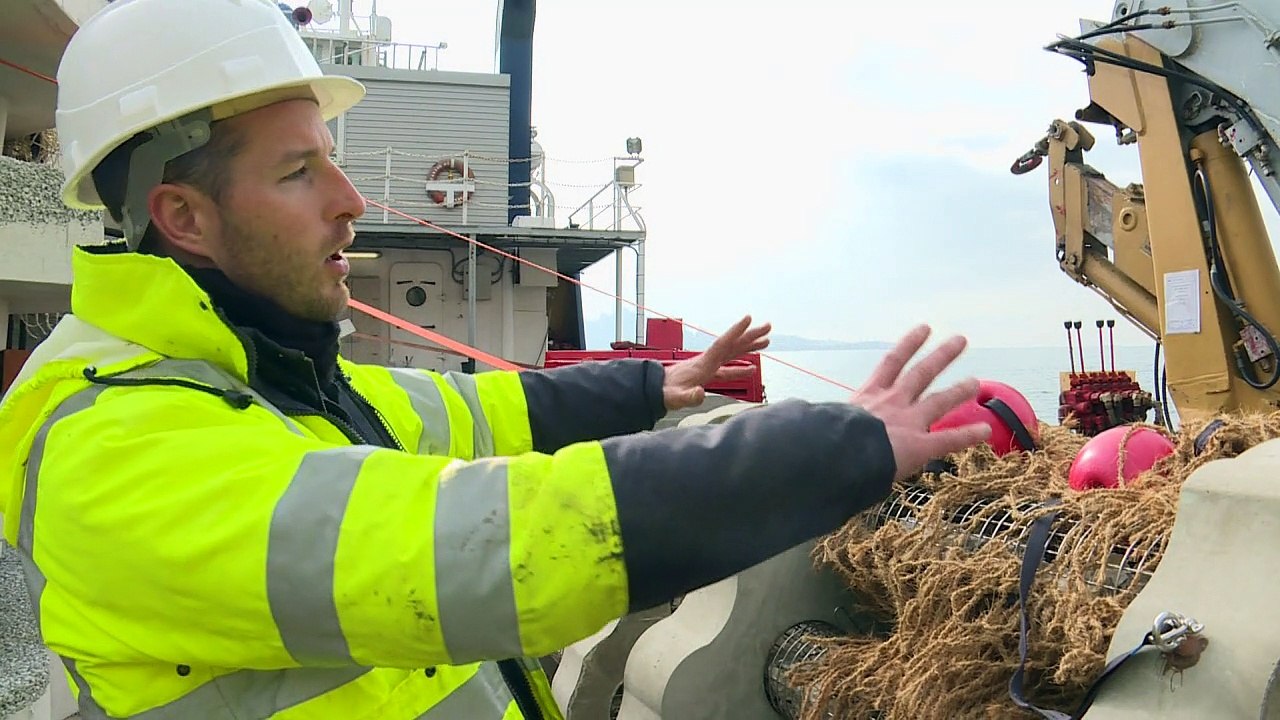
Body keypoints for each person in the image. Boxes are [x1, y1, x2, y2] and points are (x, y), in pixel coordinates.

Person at [0, 0, 991, 718]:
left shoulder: (265, 380)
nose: (350, 199)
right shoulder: (118, 455)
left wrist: (654, 386)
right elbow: (474, 543)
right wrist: (830, 450)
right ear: (184, 217)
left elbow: (474, 414)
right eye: (300, 171)